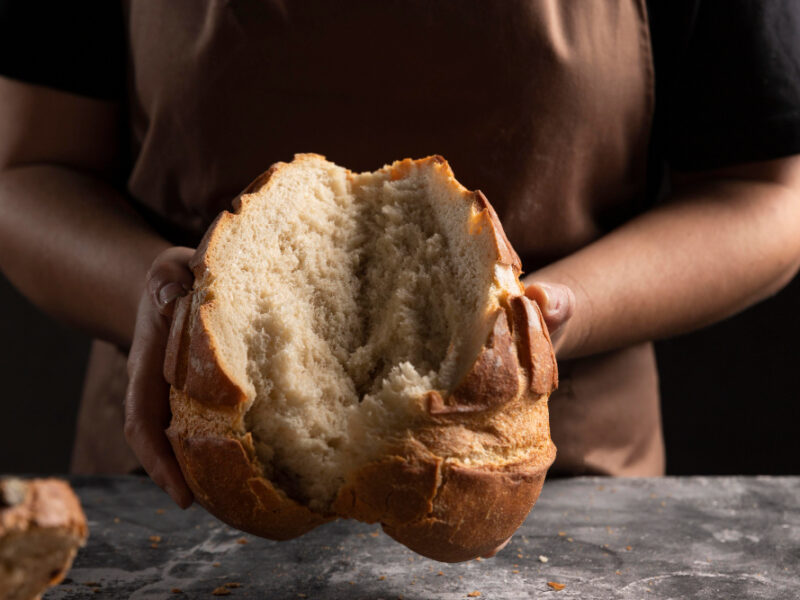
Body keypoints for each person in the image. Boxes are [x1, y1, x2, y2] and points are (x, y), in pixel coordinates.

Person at [1, 0, 799, 516]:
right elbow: (29, 170)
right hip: (183, 489)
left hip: (562, 495)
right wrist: (165, 301)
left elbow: (769, 190)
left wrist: (561, 314)